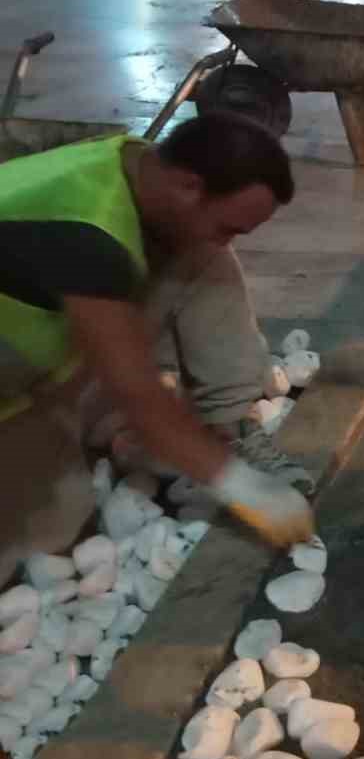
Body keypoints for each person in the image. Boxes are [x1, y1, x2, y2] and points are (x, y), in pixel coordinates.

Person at [0, 114, 316, 581]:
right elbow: (141, 396)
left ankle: (224, 424)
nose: (225, 241)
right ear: (189, 186)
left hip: (42, 319)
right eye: (229, 225)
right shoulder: (90, 238)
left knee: (205, 255)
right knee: (50, 534)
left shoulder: (135, 159)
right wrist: (242, 487)